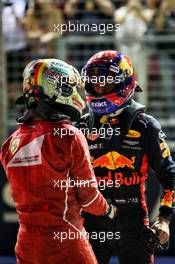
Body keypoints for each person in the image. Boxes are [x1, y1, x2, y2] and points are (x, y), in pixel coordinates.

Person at [0, 58, 117, 264]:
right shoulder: (69, 136)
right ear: (57, 89)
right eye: (71, 86)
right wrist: (109, 210)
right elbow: (89, 199)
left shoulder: (10, 143)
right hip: (65, 239)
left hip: (26, 243)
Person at [78, 50, 175, 264]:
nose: (100, 89)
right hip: (91, 223)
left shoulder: (146, 126)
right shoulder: (80, 126)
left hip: (134, 224)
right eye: (95, 83)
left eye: (107, 83)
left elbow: (170, 177)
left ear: (124, 82)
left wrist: (164, 219)